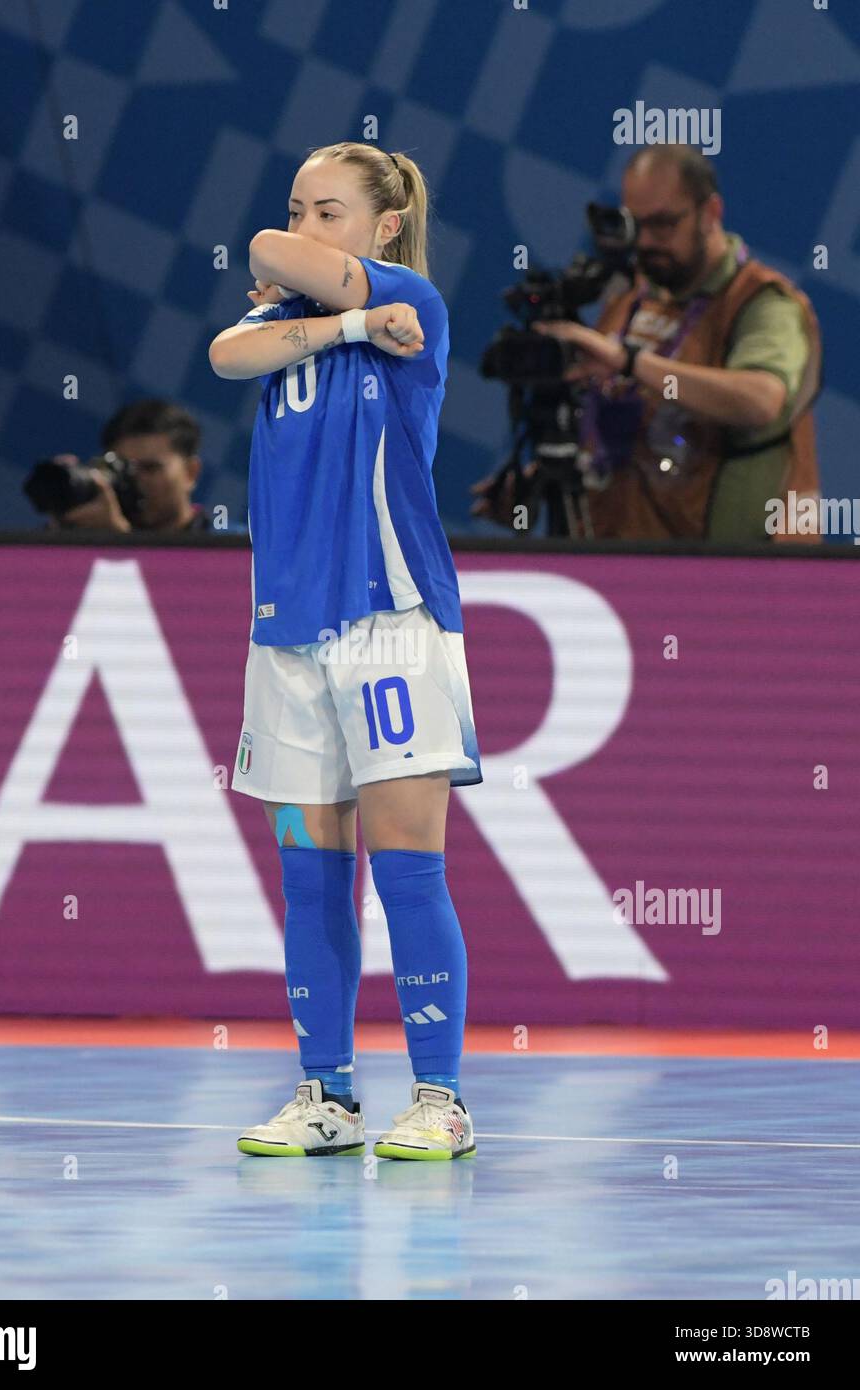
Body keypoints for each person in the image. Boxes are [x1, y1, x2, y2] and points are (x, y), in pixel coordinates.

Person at [209, 141, 482, 1160]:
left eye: (331, 211)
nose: (303, 227)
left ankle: (440, 1099)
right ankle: (326, 1094)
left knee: (407, 870)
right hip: (284, 632)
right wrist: (345, 320)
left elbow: (266, 247)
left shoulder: (417, 299)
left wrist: (328, 289)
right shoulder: (290, 322)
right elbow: (225, 356)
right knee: (310, 874)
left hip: (390, 623)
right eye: (299, 206)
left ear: (385, 228)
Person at [477, 146, 822, 542]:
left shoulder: (761, 302)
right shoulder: (631, 298)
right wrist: (535, 482)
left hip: (732, 581)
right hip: (621, 565)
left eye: (663, 224)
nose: (645, 242)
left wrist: (629, 361)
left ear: (710, 213)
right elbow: (614, 411)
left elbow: (762, 400)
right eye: (635, 225)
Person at [49, 399, 212, 533]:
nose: (135, 480)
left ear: (191, 473)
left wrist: (120, 541)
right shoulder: (88, 535)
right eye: (122, 468)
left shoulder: (232, 549)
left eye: (150, 468)